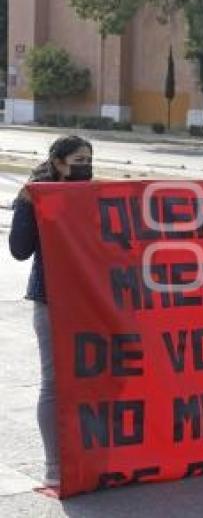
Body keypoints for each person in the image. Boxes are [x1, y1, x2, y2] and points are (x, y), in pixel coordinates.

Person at [9, 135, 94, 494]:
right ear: (58, 162)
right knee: (55, 382)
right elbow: (18, 251)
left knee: (93, 379)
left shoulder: (90, 196)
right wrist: (29, 207)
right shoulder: (35, 195)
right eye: (79, 159)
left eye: (89, 158)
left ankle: (90, 459)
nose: (86, 165)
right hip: (51, 300)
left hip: (90, 301)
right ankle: (55, 469)